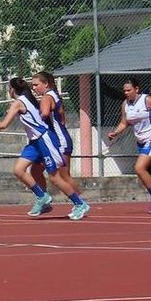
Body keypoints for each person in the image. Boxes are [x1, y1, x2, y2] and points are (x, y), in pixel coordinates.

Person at [0, 77, 89, 220]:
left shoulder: (19, 102)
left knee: (55, 177)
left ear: (12, 90)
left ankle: (80, 204)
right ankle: (42, 197)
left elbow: (4, 124)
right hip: (34, 142)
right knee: (18, 170)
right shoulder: (26, 100)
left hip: (44, 139)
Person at [107, 77, 151, 214]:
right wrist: (115, 132)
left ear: (136, 89)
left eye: (129, 90)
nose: (126, 93)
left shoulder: (147, 100)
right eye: (124, 90)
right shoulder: (125, 104)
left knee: (139, 168)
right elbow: (125, 122)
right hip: (141, 142)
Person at [30, 71, 90, 219]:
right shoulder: (55, 96)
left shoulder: (47, 97)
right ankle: (44, 201)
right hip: (51, 140)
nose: (34, 88)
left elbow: (43, 114)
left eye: (36, 85)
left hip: (59, 142)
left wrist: (28, 114)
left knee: (62, 176)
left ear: (46, 84)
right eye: (32, 85)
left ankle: (80, 203)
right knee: (36, 170)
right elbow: (62, 119)